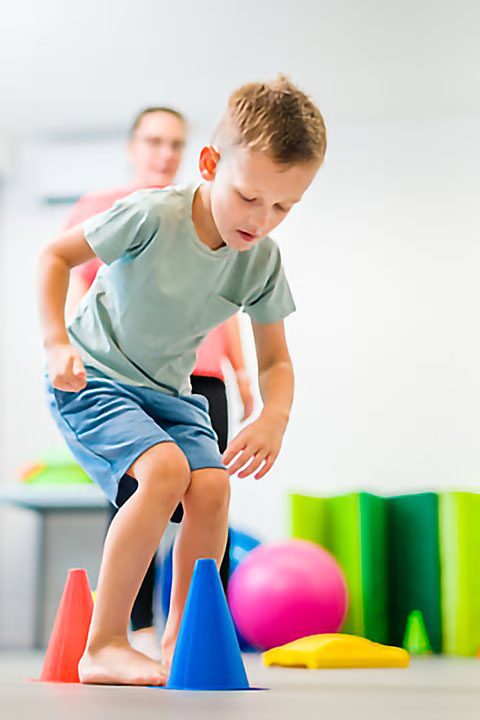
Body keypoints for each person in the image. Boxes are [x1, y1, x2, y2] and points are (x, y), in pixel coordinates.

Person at [38, 75, 327, 686]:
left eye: (283, 207)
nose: (262, 219)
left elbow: (277, 359)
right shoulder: (152, 214)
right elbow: (55, 257)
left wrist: (273, 416)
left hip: (169, 393)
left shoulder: (262, 259)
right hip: (94, 377)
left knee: (214, 488)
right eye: (250, 197)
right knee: (165, 473)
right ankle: (106, 642)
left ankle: (179, 639)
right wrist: (56, 341)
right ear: (210, 162)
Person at [62, 106, 254, 661]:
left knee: (210, 493)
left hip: (200, 376)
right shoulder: (104, 208)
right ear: (133, 146)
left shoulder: (211, 213)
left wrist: (243, 374)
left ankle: (196, 629)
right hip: (121, 372)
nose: (165, 153)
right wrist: (72, 354)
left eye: (175, 143)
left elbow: (228, 303)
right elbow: (79, 281)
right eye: (154, 141)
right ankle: (131, 628)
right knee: (137, 496)